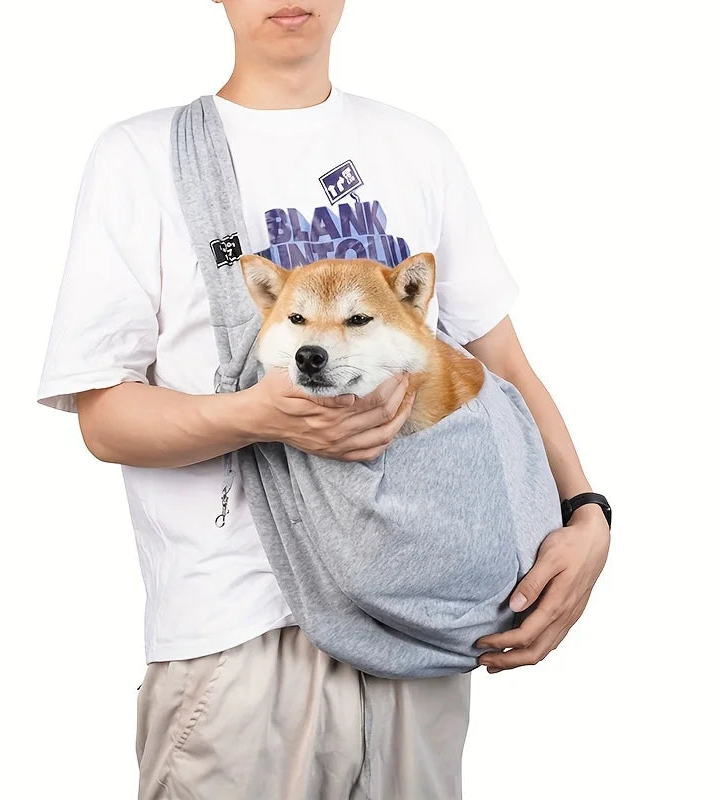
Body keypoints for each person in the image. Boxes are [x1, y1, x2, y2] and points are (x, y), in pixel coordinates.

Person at [36, 1, 611, 797]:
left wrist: (586, 514)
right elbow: (104, 419)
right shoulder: (142, 157)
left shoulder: (416, 148)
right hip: (243, 642)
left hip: (424, 632)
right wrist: (257, 418)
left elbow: (501, 365)